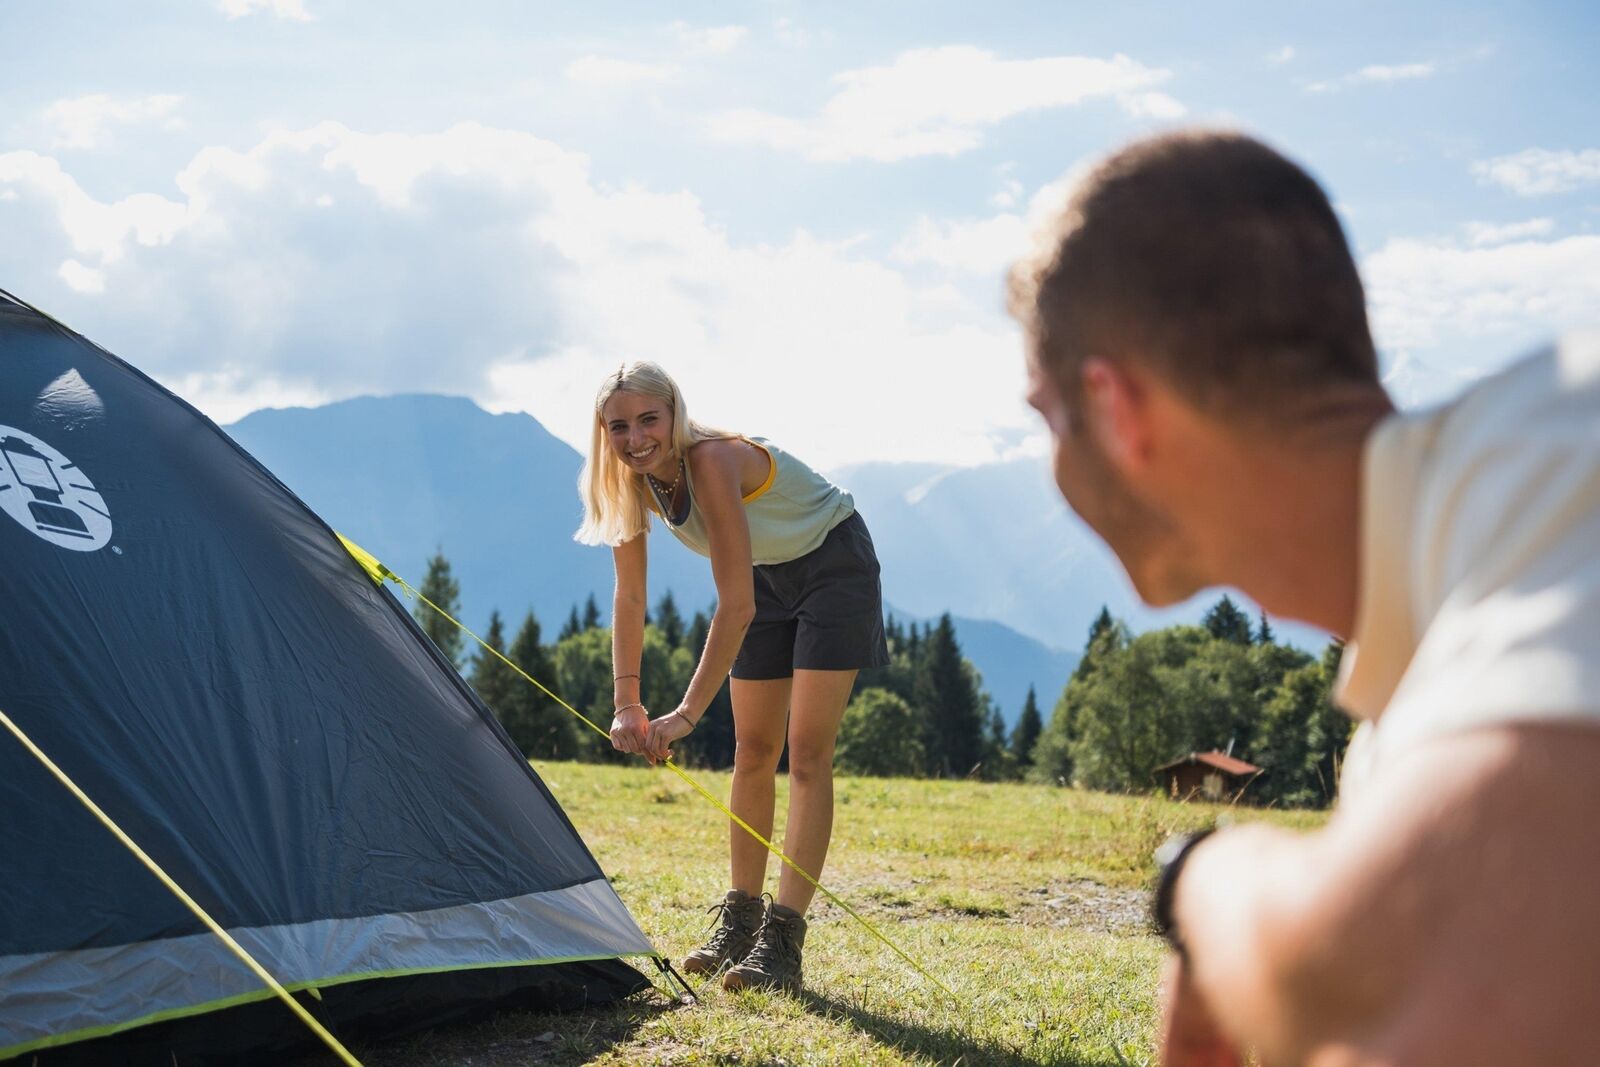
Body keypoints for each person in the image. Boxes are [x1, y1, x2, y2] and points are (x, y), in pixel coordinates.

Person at [1009, 129, 1600, 1065]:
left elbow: (1432, 999)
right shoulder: (1437, 650)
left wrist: (1201, 880)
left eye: (1045, 417)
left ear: (1117, 409)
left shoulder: (1567, 450)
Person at [575, 361, 889, 994]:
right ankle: (740, 922)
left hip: (833, 566)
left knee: (805, 756)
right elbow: (629, 596)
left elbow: (734, 606)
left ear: (675, 415)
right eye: (619, 427)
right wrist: (628, 704)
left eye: (648, 421)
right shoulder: (630, 485)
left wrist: (685, 715)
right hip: (767, 577)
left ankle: (783, 941)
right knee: (752, 752)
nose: (636, 438)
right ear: (602, 433)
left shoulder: (713, 461)